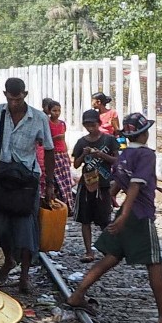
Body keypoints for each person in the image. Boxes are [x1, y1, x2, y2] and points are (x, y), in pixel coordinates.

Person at [63, 112, 162, 323]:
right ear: (145, 133)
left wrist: (114, 206)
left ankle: (77, 294)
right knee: (155, 263)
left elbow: (117, 184)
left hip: (126, 215)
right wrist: (125, 216)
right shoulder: (146, 155)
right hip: (138, 215)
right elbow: (135, 186)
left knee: (110, 258)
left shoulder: (125, 154)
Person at [0, 78, 52, 294]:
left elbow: (49, 149)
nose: (14, 103)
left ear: (25, 94)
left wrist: (49, 183)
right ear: (5, 94)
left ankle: (24, 276)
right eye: (11, 99)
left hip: (27, 179)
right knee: (2, 227)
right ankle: (7, 260)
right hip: (3, 174)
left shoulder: (39, 118)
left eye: (18, 98)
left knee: (26, 229)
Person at [69, 108, 121, 258]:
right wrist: (84, 154)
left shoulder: (109, 140)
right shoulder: (81, 142)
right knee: (85, 220)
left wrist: (101, 155)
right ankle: (89, 251)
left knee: (104, 219)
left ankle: (108, 249)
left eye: (92, 124)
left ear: (99, 123)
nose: (90, 128)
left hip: (103, 185)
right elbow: (77, 165)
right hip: (86, 185)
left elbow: (116, 160)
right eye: (87, 125)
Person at [42, 99, 74, 209]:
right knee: (56, 181)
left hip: (62, 154)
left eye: (59, 110)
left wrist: (67, 155)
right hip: (53, 154)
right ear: (49, 111)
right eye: (54, 110)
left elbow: (63, 140)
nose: (57, 113)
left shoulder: (62, 124)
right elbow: (44, 140)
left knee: (66, 180)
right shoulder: (47, 123)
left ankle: (68, 205)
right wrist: (56, 138)